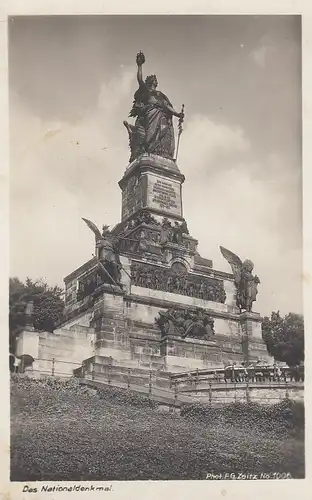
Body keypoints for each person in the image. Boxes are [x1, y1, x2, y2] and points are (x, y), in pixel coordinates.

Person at [123, 51, 184, 161]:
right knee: (147, 140)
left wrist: (177, 114)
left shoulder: (160, 95)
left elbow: (166, 106)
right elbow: (140, 79)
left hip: (160, 118)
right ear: (150, 82)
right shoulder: (147, 91)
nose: (156, 81)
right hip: (150, 116)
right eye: (154, 79)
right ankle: (147, 153)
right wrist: (140, 65)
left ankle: (160, 154)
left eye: (156, 80)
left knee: (162, 137)